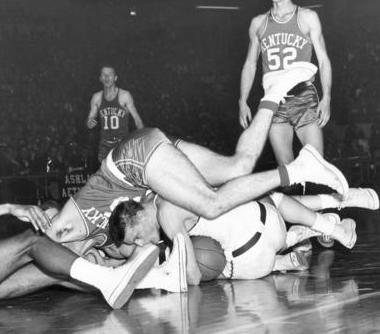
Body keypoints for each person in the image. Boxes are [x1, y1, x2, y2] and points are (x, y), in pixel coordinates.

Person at [45, 62, 348, 258]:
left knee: (212, 204)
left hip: (133, 161)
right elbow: (138, 258)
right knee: (239, 166)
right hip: (150, 155)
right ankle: (274, 93)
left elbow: (43, 244)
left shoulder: (66, 226)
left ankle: (298, 169)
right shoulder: (111, 246)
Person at [0, 122, 161, 310]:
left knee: (50, 270)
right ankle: (109, 279)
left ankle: (143, 278)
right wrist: (9, 207)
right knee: (32, 242)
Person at [108, 185, 371, 283]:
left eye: (137, 237)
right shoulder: (164, 187)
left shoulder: (166, 215)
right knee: (272, 196)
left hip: (252, 262)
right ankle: (329, 220)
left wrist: (159, 276)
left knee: (209, 260)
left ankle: (284, 259)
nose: (141, 243)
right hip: (270, 221)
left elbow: (195, 276)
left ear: (140, 215)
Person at [238, 0, 333, 172]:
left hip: (303, 97)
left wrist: (327, 97)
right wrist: (242, 100)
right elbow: (250, 64)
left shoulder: (307, 17)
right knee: (288, 173)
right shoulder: (258, 23)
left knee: (316, 169)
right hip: (273, 102)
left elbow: (323, 60)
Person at [87, 66, 144, 162]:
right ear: (100, 79)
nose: (106, 77)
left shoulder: (124, 95)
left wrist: (143, 140)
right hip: (105, 144)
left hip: (122, 142)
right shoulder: (96, 97)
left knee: (123, 173)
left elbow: (137, 121)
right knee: (107, 173)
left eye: (110, 74)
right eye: (104, 75)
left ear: (115, 78)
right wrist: (89, 122)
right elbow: (90, 118)